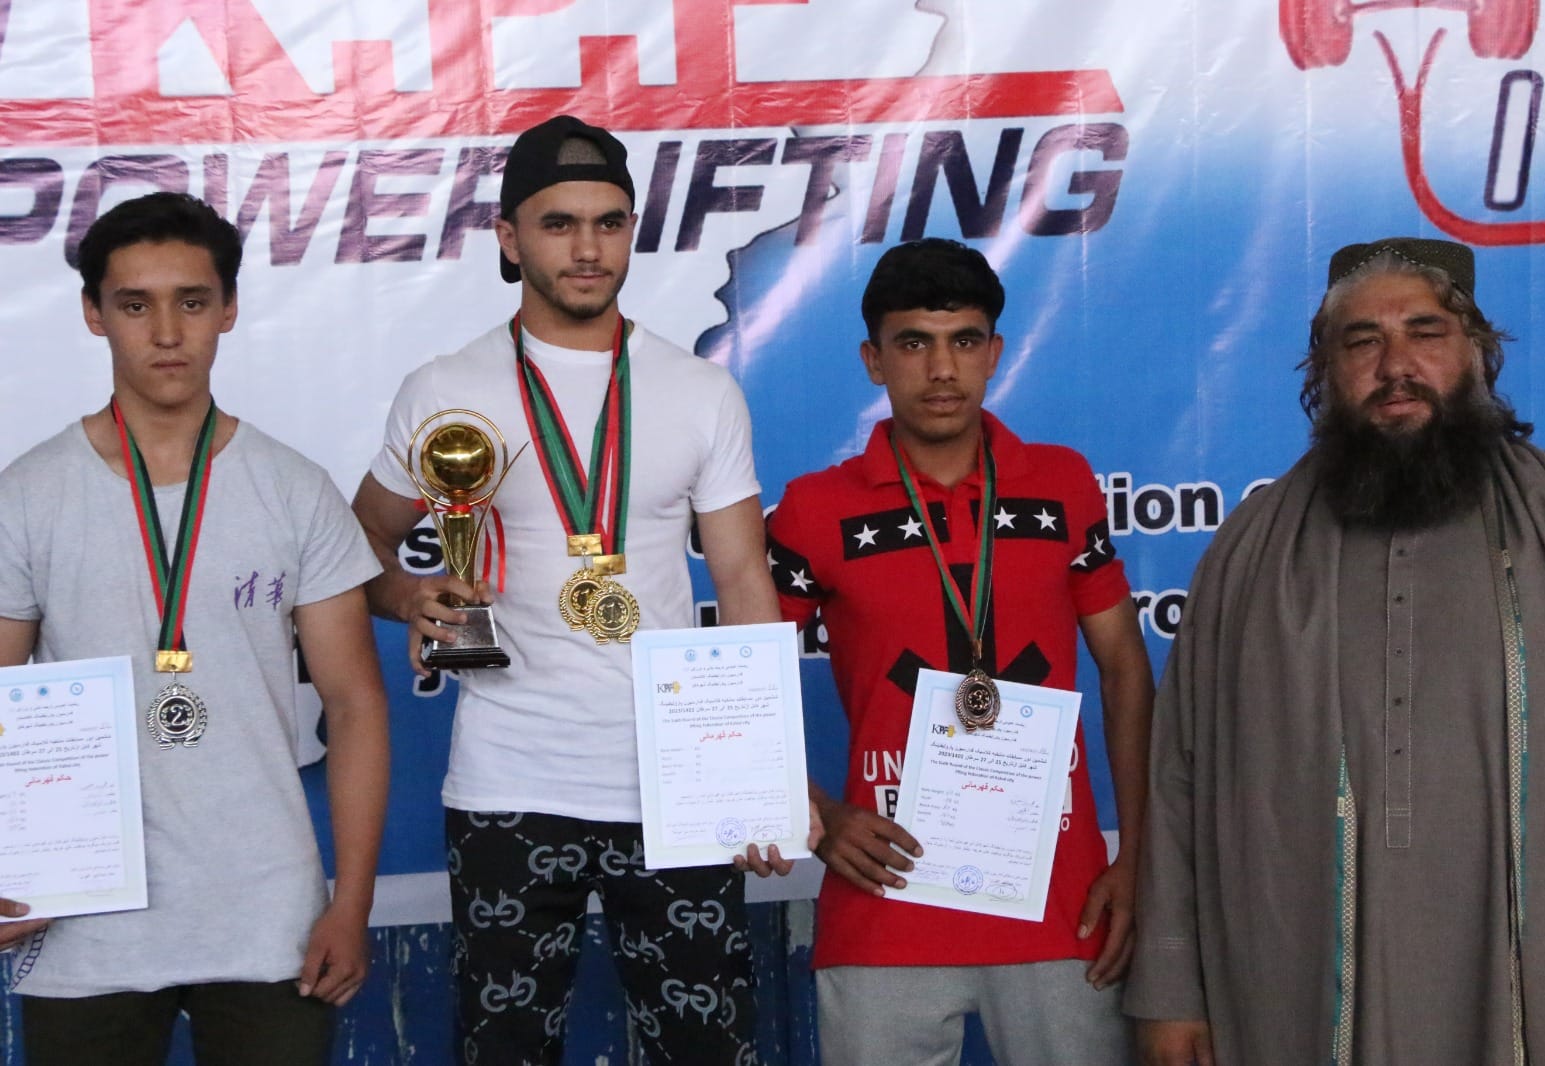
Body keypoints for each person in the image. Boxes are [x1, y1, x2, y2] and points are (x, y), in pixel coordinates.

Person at [352, 115, 801, 1066]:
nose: (588, 247)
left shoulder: (699, 390)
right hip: (509, 781)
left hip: (678, 788)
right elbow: (355, 550)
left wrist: (763, 775)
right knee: (503, 1049)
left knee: (708, 1048)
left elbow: (743, 578)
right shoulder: (445, 386)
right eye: (558, 224)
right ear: (511, 240)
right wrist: (408, 598)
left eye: (609, 222)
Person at [1126, 237, 1545, 1066]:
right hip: (1296, 985)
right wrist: (1170, 988)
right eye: (1362, 341)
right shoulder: (1251, 552)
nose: (1396, 365)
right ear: (1322, 369)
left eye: (1426, 332)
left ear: (1478, 353)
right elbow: (1178, 782)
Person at [0, 192, 390, 1064]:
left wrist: (351, 901)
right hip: (84, 928)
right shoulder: (27, 495)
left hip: (270, 922)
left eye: (192, 301)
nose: (166, 332)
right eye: (135, 305)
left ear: (230, 308)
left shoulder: (293, 488)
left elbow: (356, 703)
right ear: (94, 315)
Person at [766, 238, 1154, 1065]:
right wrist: (818, 816)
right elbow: (738, 687)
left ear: (996, 353)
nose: (941, 369)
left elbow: (1124, 669)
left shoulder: (1061, 485)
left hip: (1062, 901)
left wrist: (1142, 855)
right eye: (913, 343)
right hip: (883, 906)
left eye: (964, 341)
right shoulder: (814, 510)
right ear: (874, 360)